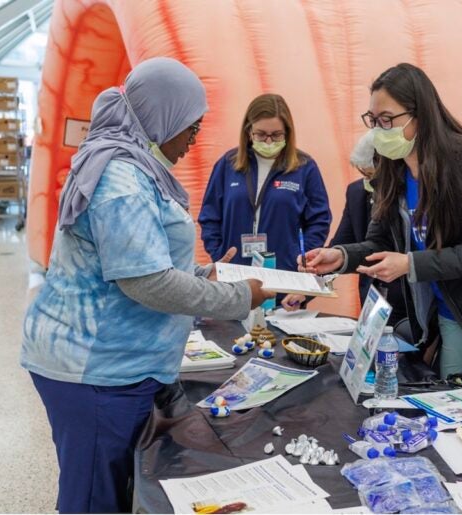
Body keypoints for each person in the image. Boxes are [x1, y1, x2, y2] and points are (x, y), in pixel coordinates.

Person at [20, 58, 273, 513]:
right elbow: (146, 281)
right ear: (162, 118)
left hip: (112, 362)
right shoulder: (121, 179)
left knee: (111, 489)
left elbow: (144, 260)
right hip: (95, 369)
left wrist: (203, 276)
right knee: (94, 499)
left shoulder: (136, 167)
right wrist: (238, 295)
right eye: (190, 128)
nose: (192, 140)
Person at [299, 63, 462, 378]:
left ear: (420, 114)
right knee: (451, 396)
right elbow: (380, 242)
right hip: (450, 310)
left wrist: (410, 263)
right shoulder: (392, 169)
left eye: (388, 120)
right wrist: (340, 257)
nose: (380, 130)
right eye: (374, 120)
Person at [198, 93, 331, 309]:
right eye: (261, 135)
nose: (268, 141)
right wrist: (219, 255)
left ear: (287, 134)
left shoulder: (305, 167)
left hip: (284, 281)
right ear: (248, 132)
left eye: (276, 135)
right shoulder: (227, 164)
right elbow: (210, 217)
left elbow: (319, 221)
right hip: (233, 280)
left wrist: (301, 263)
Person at [328, 131, 407, 326]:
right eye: (364, 175)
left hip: (405, 301)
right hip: (372, 298)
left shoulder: (406, 194)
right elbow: (340, 244)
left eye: (372, 175)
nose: (368, 181)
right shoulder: (355, 192)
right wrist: (307, 288)